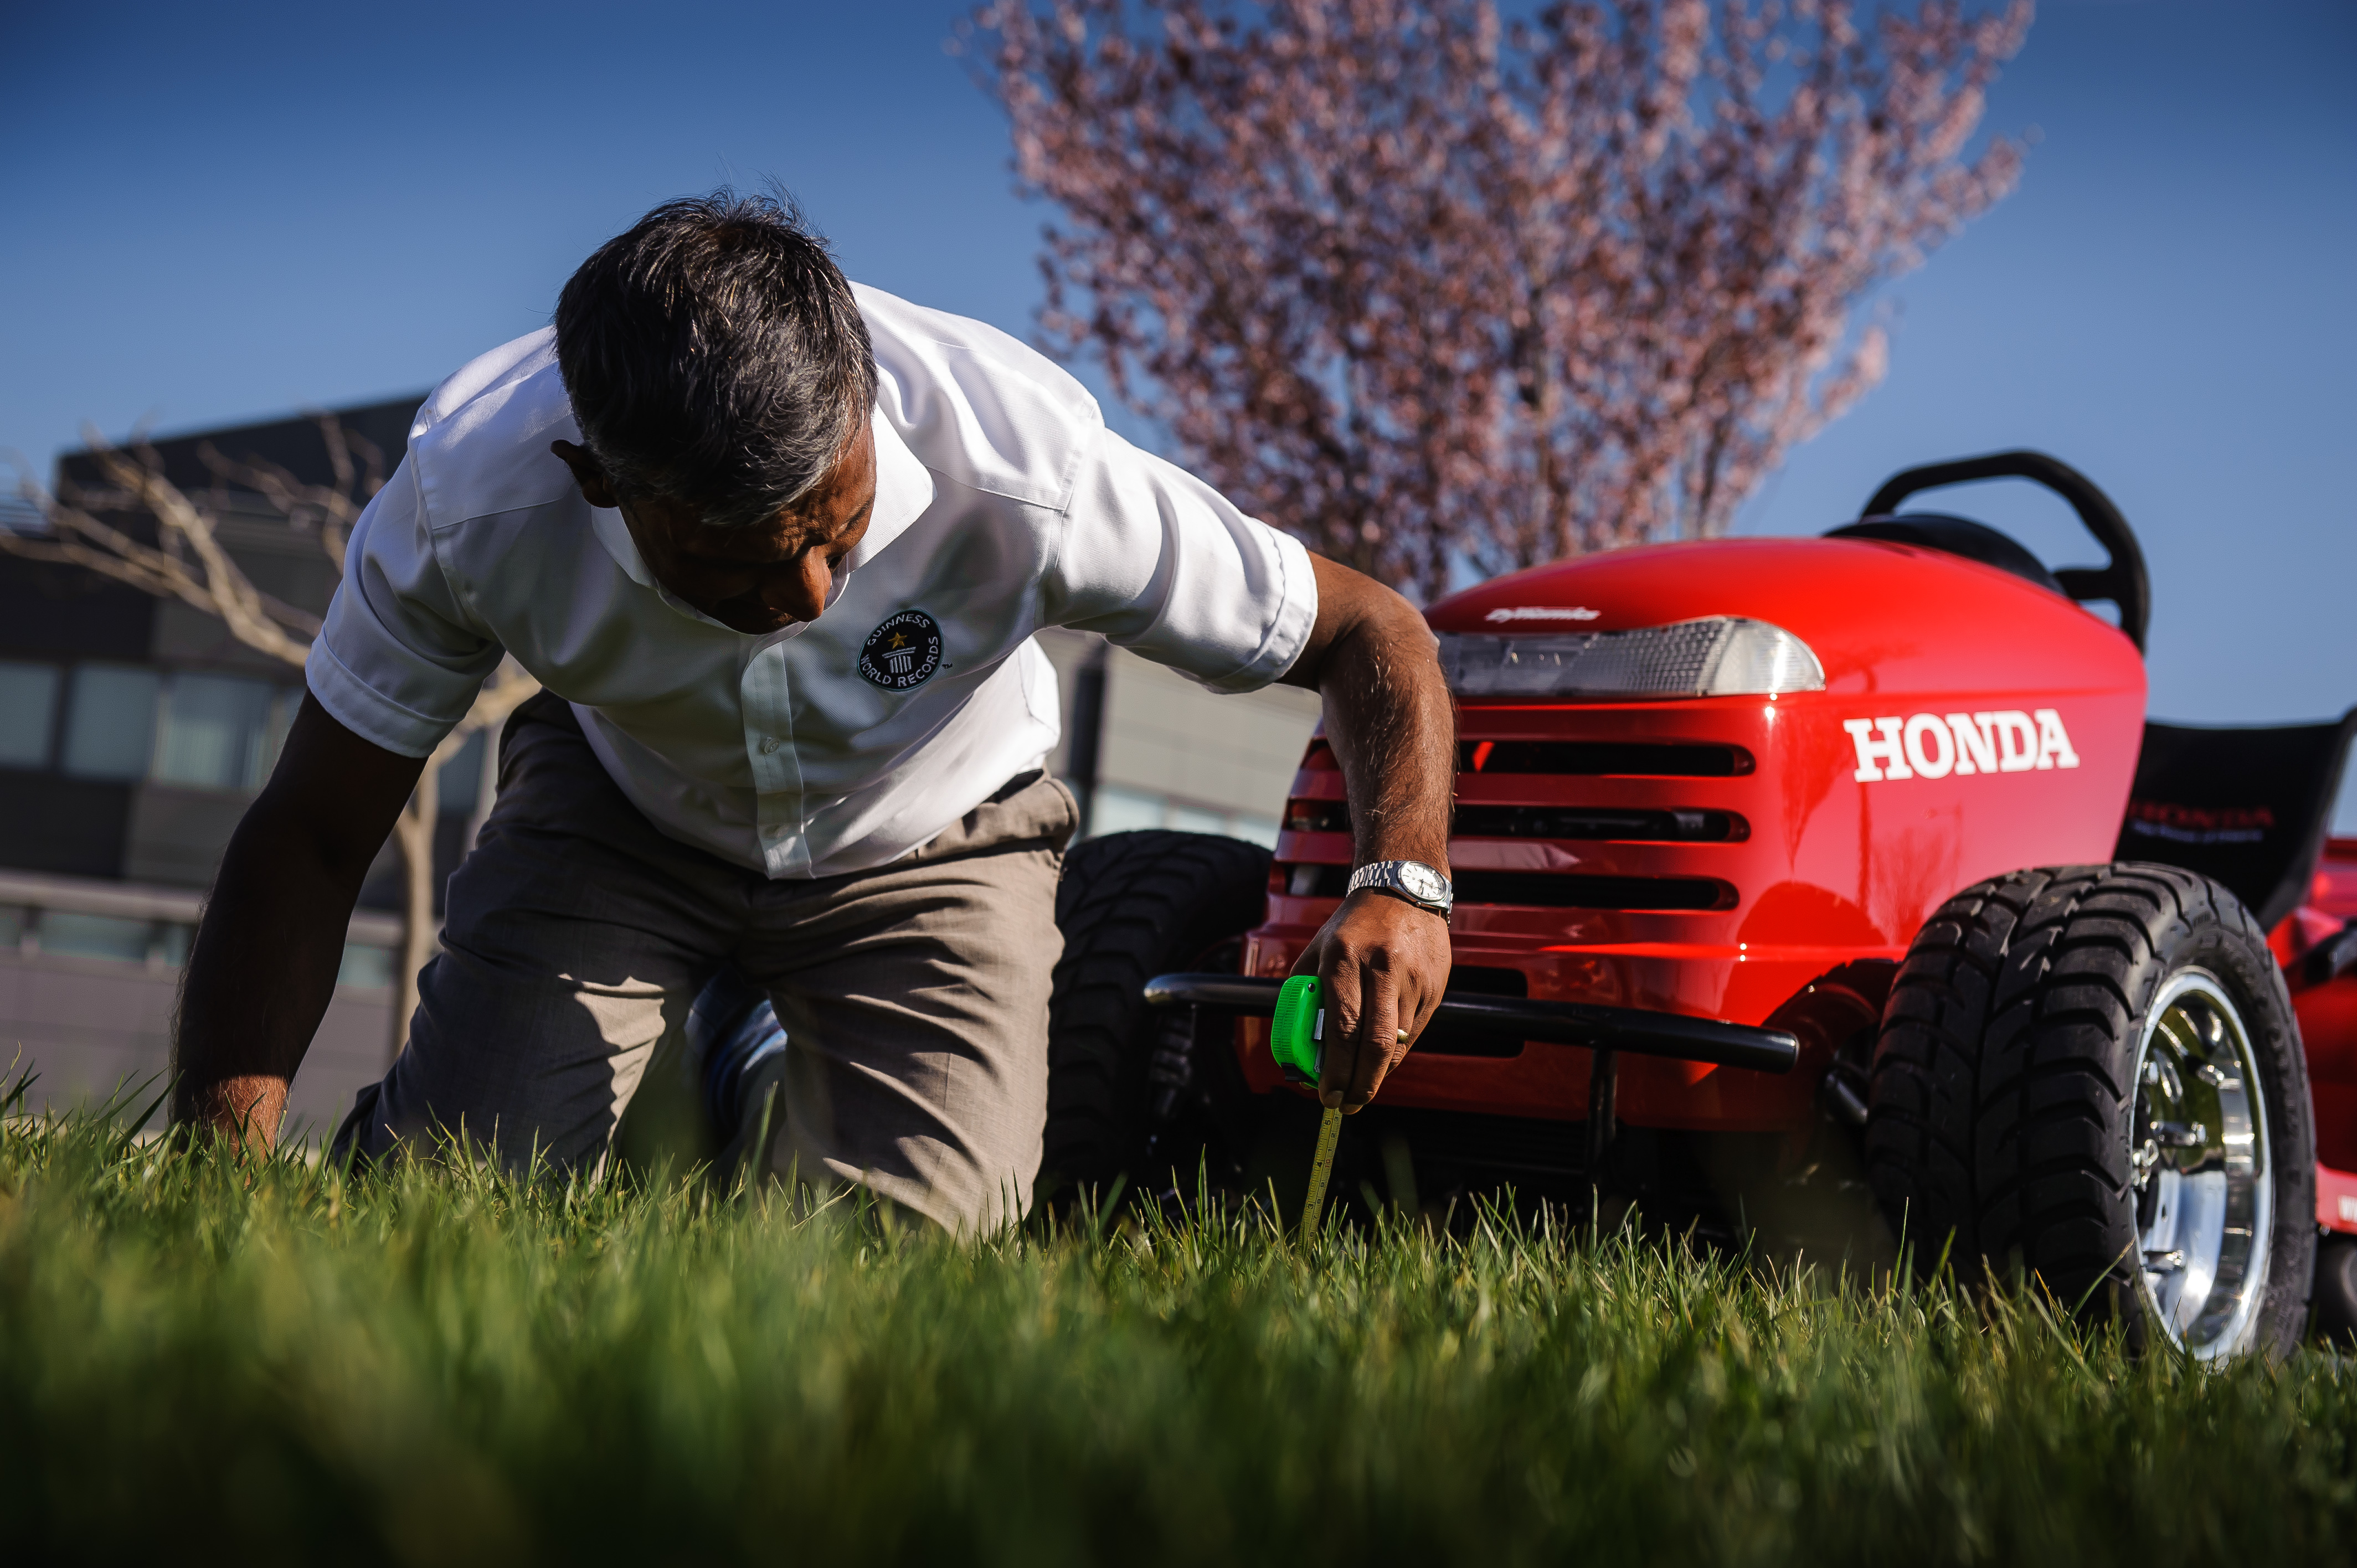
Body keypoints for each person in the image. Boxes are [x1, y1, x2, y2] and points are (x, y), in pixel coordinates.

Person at [171, 192, 1456, 1232]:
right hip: (621, 814)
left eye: (839, 534)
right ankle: (668, 1061)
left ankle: (746, 1069)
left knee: (912, 1264)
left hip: (934, 831)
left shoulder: (1027, 465)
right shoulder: (469, 501)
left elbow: (1368, 631)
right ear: (599, 481)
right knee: (448, 1205)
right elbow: (311, 837)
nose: (805, 596)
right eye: (735, 564)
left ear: (864, 398)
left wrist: (1400, 880)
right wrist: (214, 1186)